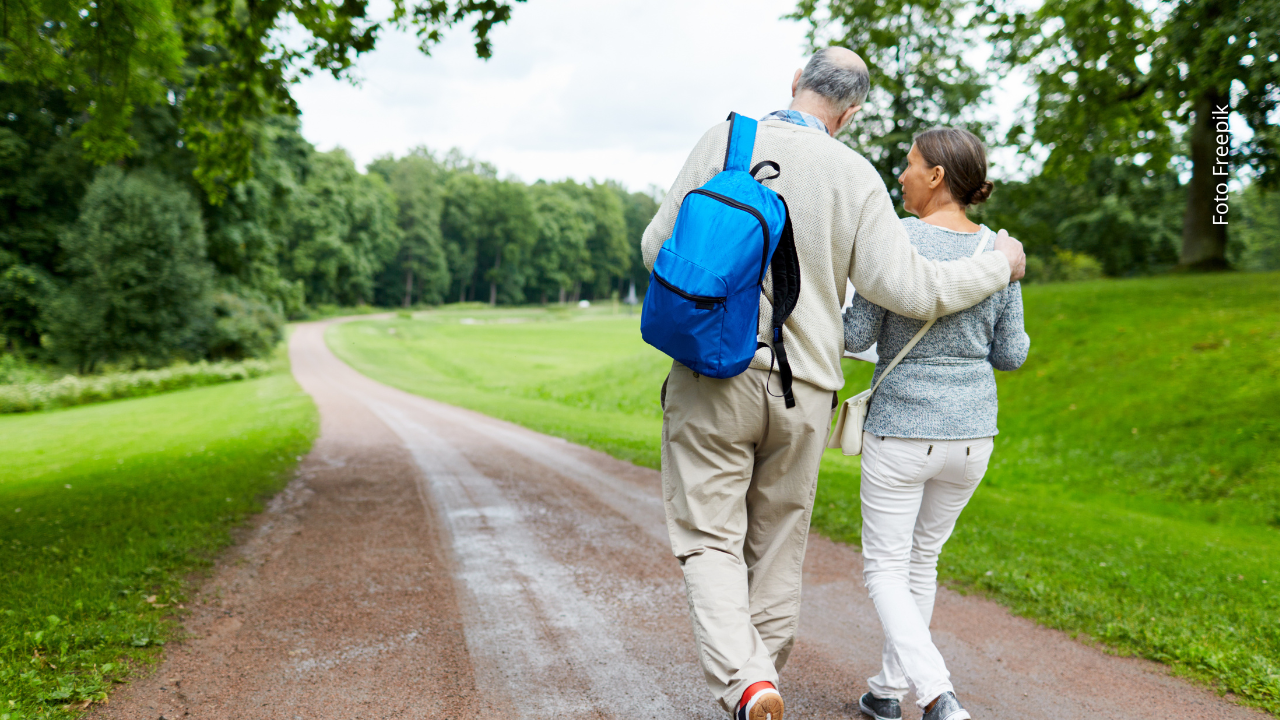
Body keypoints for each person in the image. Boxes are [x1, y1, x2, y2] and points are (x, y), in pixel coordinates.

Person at [641, 48, 1027, 720]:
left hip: (714, 375)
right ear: (850, 114)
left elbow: (656, 249)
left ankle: (748, 684)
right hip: (806, 390)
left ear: (796, 82)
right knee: (779, 540)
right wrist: (999, 265)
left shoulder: (724, 141)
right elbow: (914, 289)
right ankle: (761, 678)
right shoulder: (856, 176)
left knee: (709, 537)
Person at [846, 127, 1030, 720]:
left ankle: (936, 695)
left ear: (936, 176)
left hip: (903, 429)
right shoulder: (1000, 253)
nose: (901, 175)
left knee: (885, 568)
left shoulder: (896, 240)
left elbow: (857, 334)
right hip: (973, 437)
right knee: (921, 562)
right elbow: (1012, 354)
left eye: (909, 164)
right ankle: (885, 692)